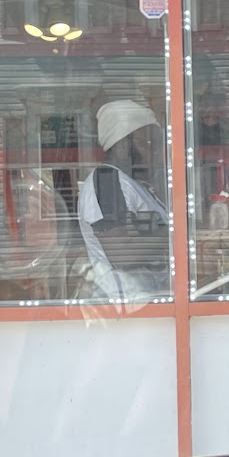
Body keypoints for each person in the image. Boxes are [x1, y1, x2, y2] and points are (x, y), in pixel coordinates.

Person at [77, 99, 171, 304]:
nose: (156, 151)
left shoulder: (132, 184)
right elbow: (123, 255)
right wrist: (175, 235)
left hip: (143, 302)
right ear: (122, 145)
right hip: (123, 307)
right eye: (148, 143)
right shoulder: (107, 183)